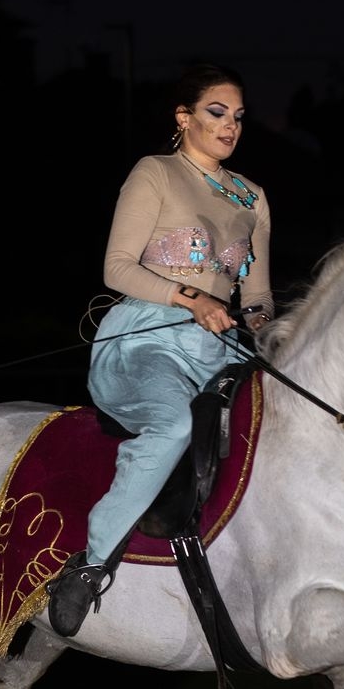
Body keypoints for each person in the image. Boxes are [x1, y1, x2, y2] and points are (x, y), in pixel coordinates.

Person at [46, 62, 274, 638]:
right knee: (173, 426)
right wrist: (191, 297)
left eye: (238, 116)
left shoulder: (252, 197)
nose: (230, 125)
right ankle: (91, 562)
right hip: (146, 339)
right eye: (217, 113)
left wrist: (266, 326)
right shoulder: (155, 172)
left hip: (220, 349)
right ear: (184, 117)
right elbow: (117, 268)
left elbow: (257, 297)